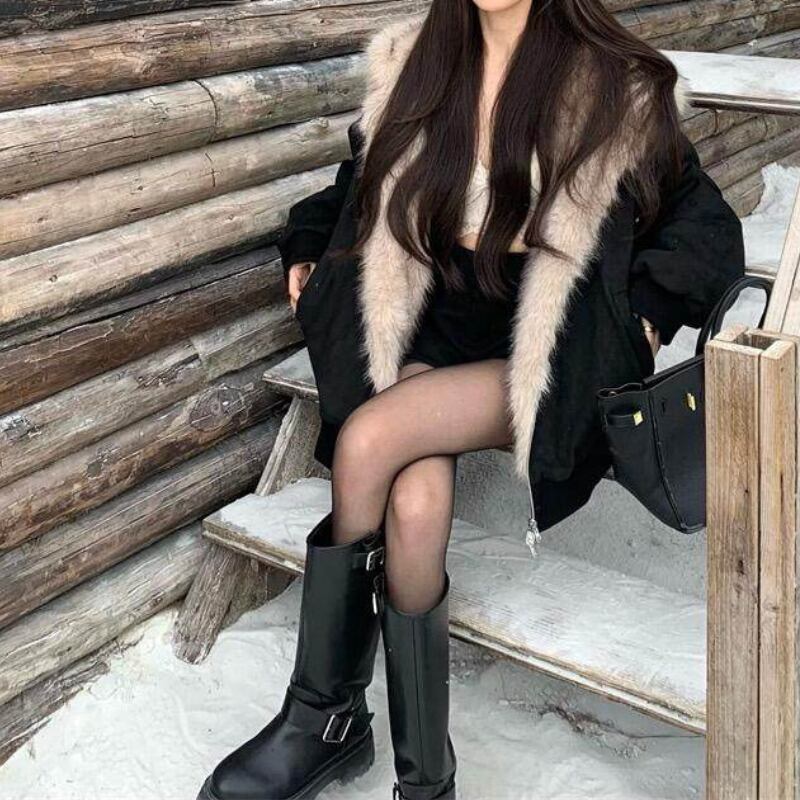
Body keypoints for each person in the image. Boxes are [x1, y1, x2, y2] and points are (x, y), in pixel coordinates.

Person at [196, 1, 745, 799]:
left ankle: (321, 717)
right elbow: (362, 182)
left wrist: (649, 314)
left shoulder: (614, 87)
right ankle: (424, 778)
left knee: (368, 440)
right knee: (415, 506)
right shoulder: (417, 63)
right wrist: (311, 240)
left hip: (542, 351)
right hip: (433, 324)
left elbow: (707, 227)